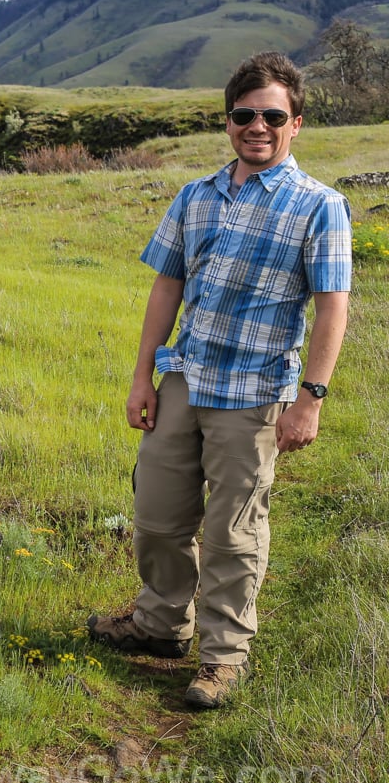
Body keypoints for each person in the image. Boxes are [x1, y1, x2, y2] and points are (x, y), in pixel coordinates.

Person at [87, 51, 352, 709]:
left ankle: (223, 660)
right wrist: (143, 375)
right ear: (228, 121)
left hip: (256, 394)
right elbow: (166, 286)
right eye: (244, 115)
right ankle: (159, 623)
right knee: (155, 518)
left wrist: (310, 399)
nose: (255, 126)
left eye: (271, 115)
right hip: (183, 382)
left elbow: (332, 308)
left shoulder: (321, 207)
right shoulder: (195, 196)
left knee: (235, 532)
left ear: (296, 123)